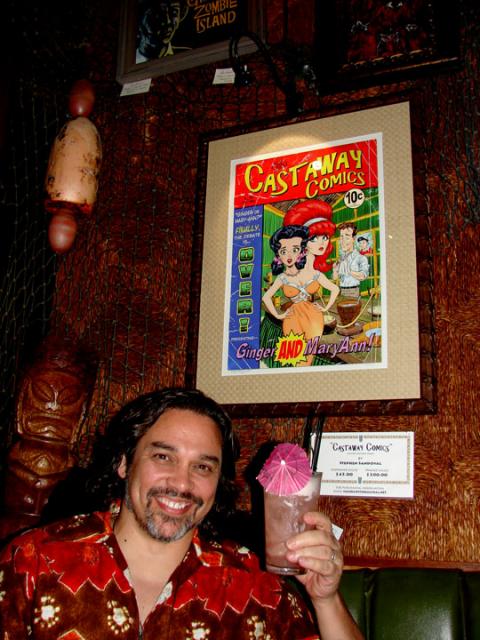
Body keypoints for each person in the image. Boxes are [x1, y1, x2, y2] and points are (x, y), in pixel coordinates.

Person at [0, 388, 364, 639]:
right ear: (124, 463)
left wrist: (325, 599)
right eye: (163, 457)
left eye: (202, 467)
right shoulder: (34, 561)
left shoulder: (255, 585)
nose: (181, 483)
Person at [262, 222, 339, 367]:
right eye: (283, 251)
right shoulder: (283, 277)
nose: (289, 255)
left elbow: (335, 289)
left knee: (308, 356)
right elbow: (265, 297)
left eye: (295, 249)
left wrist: (325, 308)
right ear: (278, 255)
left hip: (314, 317)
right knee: (294, 356)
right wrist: (278, 315)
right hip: (292, 318)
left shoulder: (315, 274)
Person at [333, 222, 369, 299]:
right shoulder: (341, 259)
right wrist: (335, 270)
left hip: (353, 292)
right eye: (341, 237)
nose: (343, 241)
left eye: (347, 237)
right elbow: (335, 278)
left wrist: (349, 271)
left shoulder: (360, 258)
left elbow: (363, 276)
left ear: (353, 238)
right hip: (341, 291)